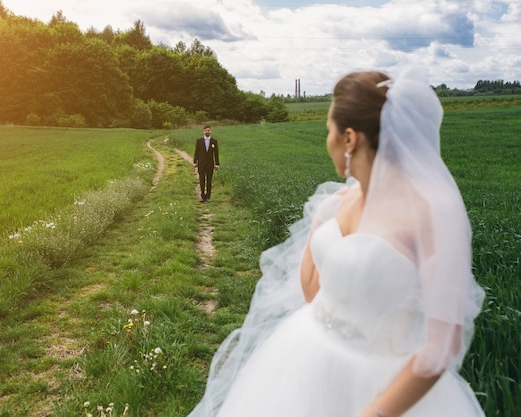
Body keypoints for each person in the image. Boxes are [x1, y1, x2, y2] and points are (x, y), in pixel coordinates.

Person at [187, 68, 486, 417]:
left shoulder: (430, 212)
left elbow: (443, 346)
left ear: (349, 139)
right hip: (305, 356)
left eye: (327, 129)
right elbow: (314, 293)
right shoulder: (338, 202)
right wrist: (319, 223)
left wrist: (373, 413)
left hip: (382, 385)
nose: (325, 137)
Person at [193, 125, 220, 202]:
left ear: (210, 131)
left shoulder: (214, 141)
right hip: (201, 164)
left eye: (208, 130)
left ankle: (208, 197)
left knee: (209, 180)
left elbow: (216, 153)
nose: (207, 132)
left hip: (210, 164)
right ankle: (202, 196)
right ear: (203, 131)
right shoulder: (199, 141)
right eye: (205, 130)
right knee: (202, 180)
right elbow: (196, 152)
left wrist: (217, 164)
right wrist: (195, 161)